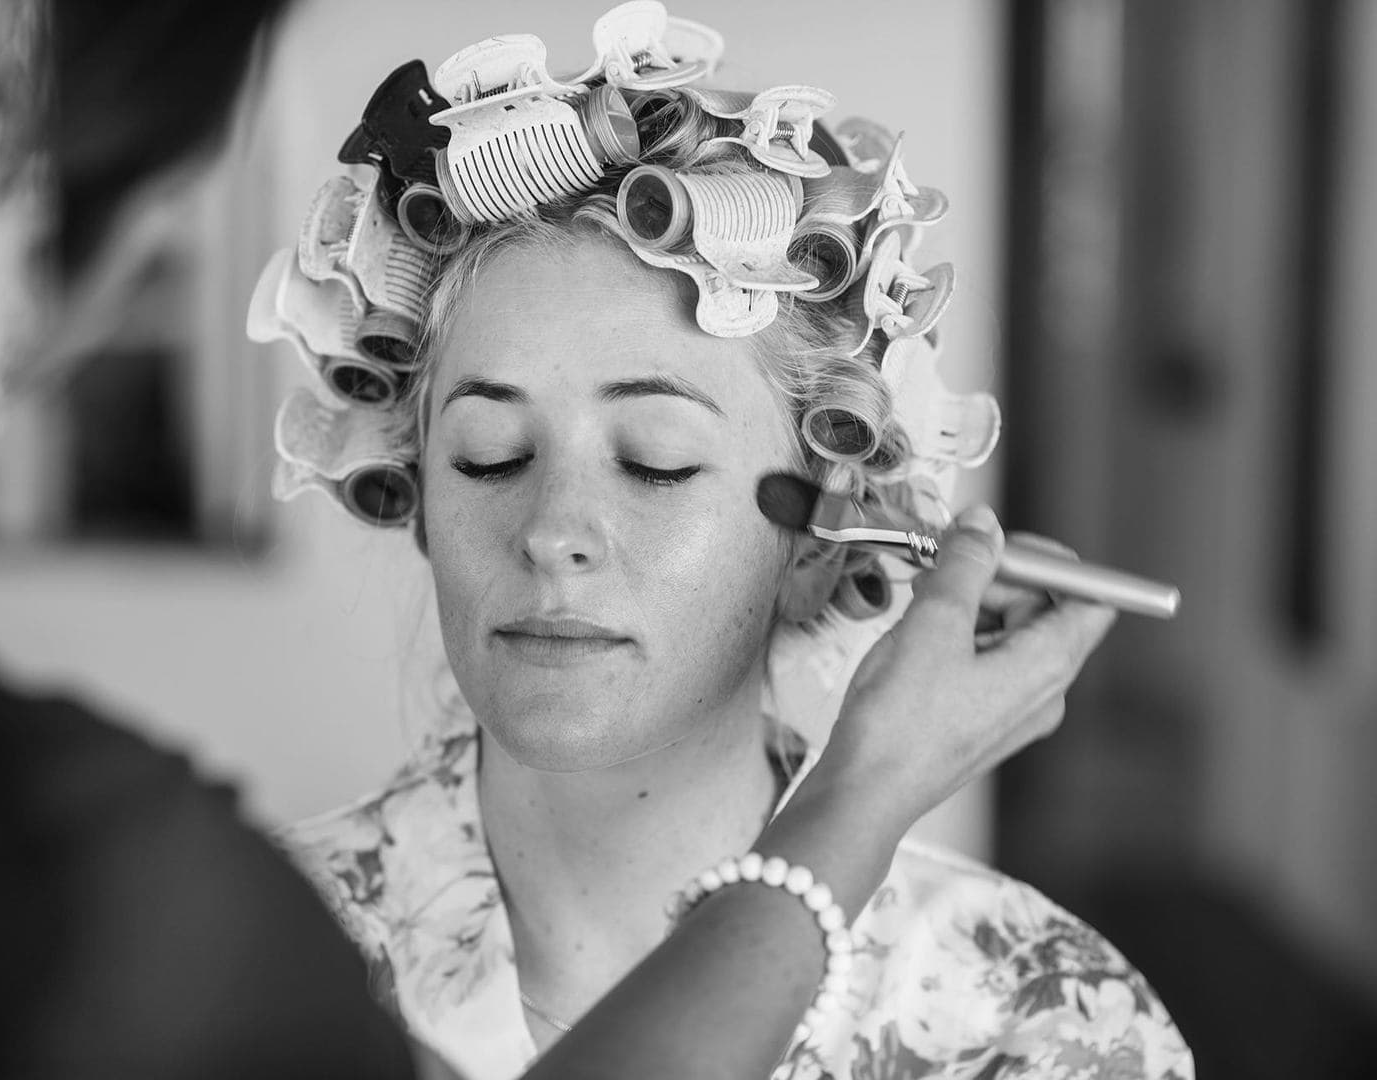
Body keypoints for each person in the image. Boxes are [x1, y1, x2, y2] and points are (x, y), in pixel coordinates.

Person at [263, 5, 1197, 1079]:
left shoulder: (1040, 1023)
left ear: (818, 530)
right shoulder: (233, 971)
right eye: (488, 455)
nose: (554, 534)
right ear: (415, 494)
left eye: (656, 459)